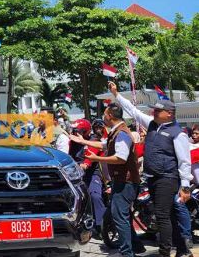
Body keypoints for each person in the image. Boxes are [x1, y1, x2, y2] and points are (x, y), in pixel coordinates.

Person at [109, 81, 193, 257]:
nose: (152, 112)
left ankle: (164, 253)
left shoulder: (179, 134)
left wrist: (185, 186)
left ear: (169, 114)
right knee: (168, 216)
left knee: (162, 216)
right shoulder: (152, 124)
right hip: (153, 177)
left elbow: (185, 161)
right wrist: (116, 95)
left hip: (167, 178)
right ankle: (183, 250)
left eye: (157, 110)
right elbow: (133, 111)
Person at [69, 102, 143, 257]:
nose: (103, 116)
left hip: (126, 182)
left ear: (109, 115)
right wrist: (83, 141)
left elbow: (121, 158)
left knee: (119, 217)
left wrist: (96, 157)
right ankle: (136, 247)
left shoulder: (121, 133)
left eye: (104, 113)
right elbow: (103, 144)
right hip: (121, 181)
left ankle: (127, 252)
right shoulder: (116, 132)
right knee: (121, 216)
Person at [68, 119, 106, 238]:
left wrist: (85, 165)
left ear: (84, 131)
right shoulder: (72, 142)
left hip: (91, 175)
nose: (75, 133)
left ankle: (102, 226)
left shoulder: (93, 140)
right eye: (74, 131)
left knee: (95, 196)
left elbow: (89, 157)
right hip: (74, 175)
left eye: (77, 131)